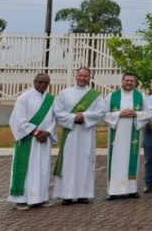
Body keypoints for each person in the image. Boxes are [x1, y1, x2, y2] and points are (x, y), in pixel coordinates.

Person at [52, 67, 106, 204]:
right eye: (80, 75)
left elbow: (101, 112)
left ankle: (83, 194)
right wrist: (73, 118)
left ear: (90, 78)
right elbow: (57, 111)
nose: (82, 78)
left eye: (85, 76)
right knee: (68, 162)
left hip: (87, 134)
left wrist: (84, 116)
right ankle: (67, 195)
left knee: (85, 162)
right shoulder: (65, 93)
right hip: (70, 133)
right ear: (75, 76)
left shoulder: (96, 95)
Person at [8, 73, 56, 210]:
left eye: (46, 83)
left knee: (42, 169)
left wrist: (48, 132)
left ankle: (40, 198)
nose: (43, 85)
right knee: (26, 169)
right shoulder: (24, 98)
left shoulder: (51, 99)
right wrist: (35, 132)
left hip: (44, 140)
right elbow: (19, 118)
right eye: (40, 82)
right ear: (34, 81)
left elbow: (54, 119)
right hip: (28, 139)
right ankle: (21, 199)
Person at [104, 73, 151, 199]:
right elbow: (104, 114)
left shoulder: (140, 96)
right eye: (127, 80)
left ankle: (131, 189)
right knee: (116, 161)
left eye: (132, 81)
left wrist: (136, 113)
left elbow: (148, 113)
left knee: (132, 161)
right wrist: (119, 114)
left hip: (133, 135)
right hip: (117, 135)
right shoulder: (112, 96)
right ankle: (113, 191)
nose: (129, 83)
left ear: (135, 82)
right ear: (122, 81)